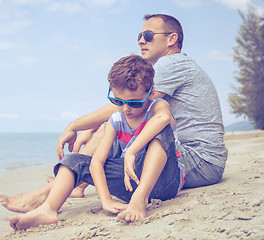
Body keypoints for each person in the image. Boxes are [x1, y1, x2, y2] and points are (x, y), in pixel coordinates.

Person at [6, 55, 184, 230]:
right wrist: (105, 199)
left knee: (161, 129)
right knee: (74, 161)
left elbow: (164, 117)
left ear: (151, 92)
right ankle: (48, 209)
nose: (126, 108)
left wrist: (131, 151)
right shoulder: (117, 120)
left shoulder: (157, 107)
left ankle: (140, 199)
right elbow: (96, 163)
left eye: (134, 103)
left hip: (165, 181)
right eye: (118, 101)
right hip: (129, 182)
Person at [56, 14, 227, 190]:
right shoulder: (178, 64)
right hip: (204, 160)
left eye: (148, 35)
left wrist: (75, 126)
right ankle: (73, 184)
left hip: (201, 162)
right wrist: (88, 128)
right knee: (117, 125)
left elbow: (125, 104)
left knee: (110, 126)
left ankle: (60, 186)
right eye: (140, 36)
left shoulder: (170, 63)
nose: (141, 41)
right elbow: (126, 106)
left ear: (171, 39)